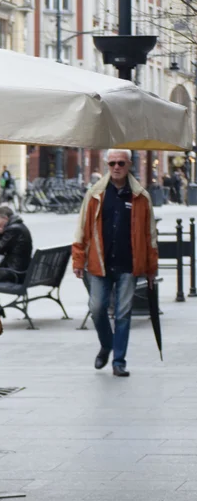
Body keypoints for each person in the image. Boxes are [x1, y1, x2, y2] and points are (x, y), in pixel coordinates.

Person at [73, 149, 157, 377]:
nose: (116, 167)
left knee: (123, 314)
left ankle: (119, 361)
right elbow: (82, 228)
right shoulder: (95, 194)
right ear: (107, 165)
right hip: (99, 264)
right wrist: (78, 260)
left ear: (129, 164)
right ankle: (106, 344)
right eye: (112, 163)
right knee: (97, 308)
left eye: (121, 163)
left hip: (129, 265)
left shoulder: (140, 196)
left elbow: (150, 235)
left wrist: (151, 268)